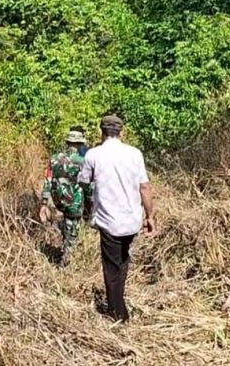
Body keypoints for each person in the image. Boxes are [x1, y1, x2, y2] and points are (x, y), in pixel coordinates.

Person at [78, 115, 156, 323]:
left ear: (101, 131)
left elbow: (83, 182)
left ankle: (118, 314)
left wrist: (89, 203)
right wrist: (150, 217)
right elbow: (145, 187)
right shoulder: (134, 154)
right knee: (122, 260)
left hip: (109, 220)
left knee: (112, 268)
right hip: (131, 221)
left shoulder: (94, 155)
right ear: (122, 132)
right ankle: (118, 301)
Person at [39, 129, 90, 266]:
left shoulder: (54, 159)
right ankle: (66, 257)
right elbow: (88, 185)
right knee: (74, 226)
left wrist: (44, 203)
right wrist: (91, 201)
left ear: (67, 142)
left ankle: (65, 242)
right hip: (75, 200)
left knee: (67, 221)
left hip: (58, 200)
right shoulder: (83, 161)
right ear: (80, 144)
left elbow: (47, 181)